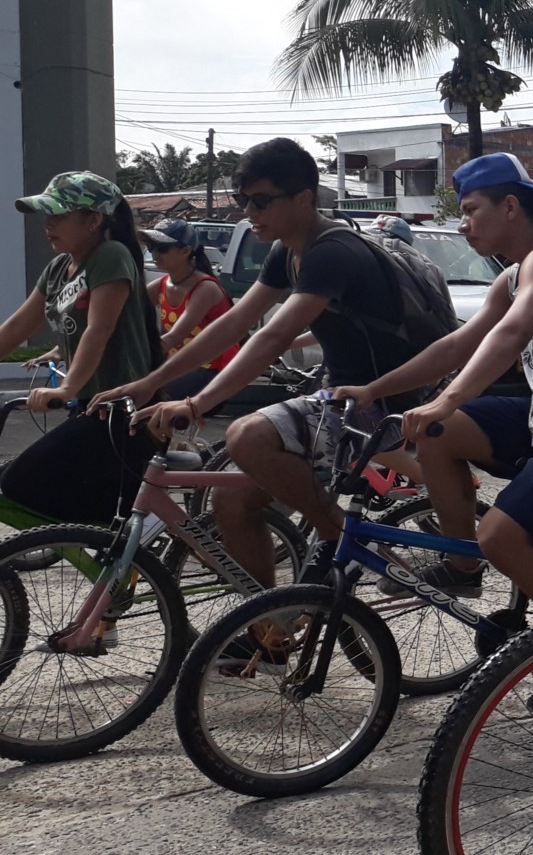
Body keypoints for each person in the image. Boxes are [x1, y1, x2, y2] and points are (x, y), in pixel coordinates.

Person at [331, 153, 533, 640]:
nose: (463, 224)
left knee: (501, 537)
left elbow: (514, 332)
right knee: (438, 432)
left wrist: (447, 398)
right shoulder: (513, 275)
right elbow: (457, 344)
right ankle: (462, 566)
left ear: (511, 206)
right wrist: (374, 390)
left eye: (472, 209)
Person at [108, 138, 439, 595]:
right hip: (341, 397)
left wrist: (198, 401)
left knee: (248, 435)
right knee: (230, 500)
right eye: (245, 201)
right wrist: (152, 381)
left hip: (379, 403)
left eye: (261, 201)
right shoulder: (288, 250)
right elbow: (235, 323)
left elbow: (272, 336)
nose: (249, 212)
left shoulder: (331, 251)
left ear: (304, 199)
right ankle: (271, 626)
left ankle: (362, 551)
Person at [0, 172, 165, 536]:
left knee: (18, 484)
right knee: (10, 481)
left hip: (119, 410)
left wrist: (67, 388)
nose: (48, 225)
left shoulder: (111, 256)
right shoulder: (59, 268)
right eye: (47, 215)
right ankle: (117, 536)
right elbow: (15, 329)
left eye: (58, 215)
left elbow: (98, 329)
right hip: (88, 408)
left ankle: (136, 530)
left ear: (93, 221)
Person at [143, 220, 240, 401]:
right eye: (151, 247)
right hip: (182, 364)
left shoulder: (205, 288)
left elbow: (174, 337)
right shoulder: (161, 285)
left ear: (186, 251)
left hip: (213, 367)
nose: (155, 253)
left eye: (162, 248)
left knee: (148, 391)